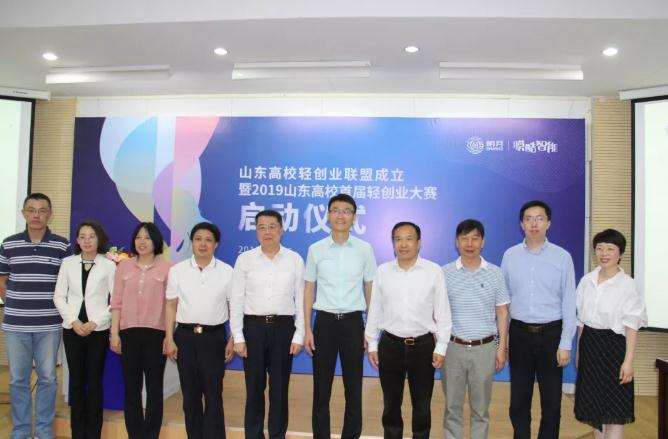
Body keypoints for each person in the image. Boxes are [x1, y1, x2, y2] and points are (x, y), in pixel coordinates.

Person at [365, 221, 451, 439]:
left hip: (423, 346)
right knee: (391, 404)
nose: (403, 244)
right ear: (393, 243)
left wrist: (441, 346)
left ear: (419, 243)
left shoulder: (433, 271)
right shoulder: (383, 271)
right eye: (398, 239)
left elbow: (442, 311)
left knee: (422, 404)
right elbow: (375, 309)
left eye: (409, 239)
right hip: (390, 345)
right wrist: (372, 342)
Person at [501, 200, 576, 439]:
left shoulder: (562, 257)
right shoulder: (510, 255)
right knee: (518, 401)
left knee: (552, 403)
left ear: (549, 223)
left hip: (551, 335)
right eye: (529, 219)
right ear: (521, 224)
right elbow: (504, 300)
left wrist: (565, 343)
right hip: (520, 334)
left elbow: (569, 302)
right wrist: (504, 339)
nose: (534, 224)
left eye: (540, 218)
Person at [303, 194, 376, 439]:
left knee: (353, 388)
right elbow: (309, 288)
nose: (340, 215)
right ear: (327, 215)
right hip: (324, 323)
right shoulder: (316, 249)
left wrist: (369, 329)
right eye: (335, 210)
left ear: (354, 217)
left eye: (346, 211)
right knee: (321, 388)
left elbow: (370, 288)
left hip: (354, 323)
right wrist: (307, 328)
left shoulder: (365, 249)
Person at [0, 193, 71, 439]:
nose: (36, 215)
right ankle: (20, 430)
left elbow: (67, 284)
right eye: (31, 210)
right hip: (16, 324)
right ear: (24, 213)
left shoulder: (62, 245)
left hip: (49, 324)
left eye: (42, 210)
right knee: (18, 379)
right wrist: (15, 303)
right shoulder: (9, 244)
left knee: (48, 378)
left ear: (50, 214)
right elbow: (2, 281)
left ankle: (43, 430)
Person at [230, 209, 305, 439]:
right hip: (253, 328)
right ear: (256, 231)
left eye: (272, 226)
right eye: (261, 227)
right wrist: (238, 336)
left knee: (279, 389)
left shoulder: (294, 259)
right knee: (254, 387)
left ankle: (277, 435)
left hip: (283, 328)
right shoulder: (245, 260)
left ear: (282, 230)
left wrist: (299, 334)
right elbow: (236, 300)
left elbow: (301, 299)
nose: (267, 232)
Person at [164, 222, 234, 439]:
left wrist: (233, 338)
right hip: (184, 337)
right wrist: (169, 338)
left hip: (214, 338)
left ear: (216, 244)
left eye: (208, 240)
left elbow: (234, 307)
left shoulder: (227, 271)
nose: (203, 244)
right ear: (192, 242)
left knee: (213, 394)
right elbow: (171, 305)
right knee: (190, 394)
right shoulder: (177, 271)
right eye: (198, 239)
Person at [574, 229, 646, 439]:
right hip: (589, 344)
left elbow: (632, 325)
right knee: (594, 408)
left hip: (614, 348)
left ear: (620, 253)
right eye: (600, 248)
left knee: (614, 411)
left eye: (610, 249)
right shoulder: (587, 280)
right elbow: (581, 321)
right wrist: (579, 352)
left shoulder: (628, 285)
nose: (604, 253)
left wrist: (628, 361)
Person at [441, 219, 509, 439]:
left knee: (481, 409)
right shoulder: (444, 272)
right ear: (456, 242)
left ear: (483, 242)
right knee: (452, 407)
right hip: (453, 348)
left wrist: (501, 348)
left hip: (484, 348)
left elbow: (502, 312)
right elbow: (437, 312)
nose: (469, 244)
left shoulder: (495, 273)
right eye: (464, 238)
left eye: (475, 238)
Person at [54, 220, 116, 439]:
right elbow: (59, 296)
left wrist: (95, 322)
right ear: (77, 240)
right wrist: (73, 321)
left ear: (99, 239)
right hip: (72, 330)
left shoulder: (109, 265)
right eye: (82, 236)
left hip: (97, 331)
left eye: (91, 236)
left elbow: (115, 300)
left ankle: (93, 433)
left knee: (95, 381)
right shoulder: (67, 263)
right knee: (77, 382)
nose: (87, 240)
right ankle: (78, 433)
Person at [109, 222, 170, 439]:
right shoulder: (123, 267)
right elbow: (116, 303)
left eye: (147, 238)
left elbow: (171, 306)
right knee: (131, 387)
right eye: (138, 237)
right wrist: (114, 333)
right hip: (129, 334)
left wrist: (169, 336)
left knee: (154, 388)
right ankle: (135, 434)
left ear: (156, 241)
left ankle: (151, 434)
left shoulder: (167, 268)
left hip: (156, 334)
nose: (142, 242)